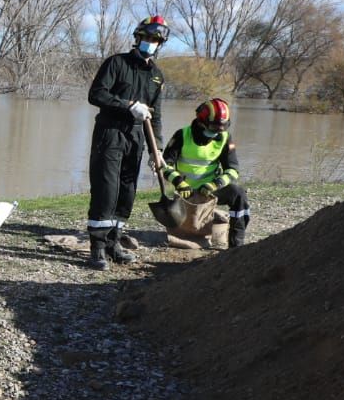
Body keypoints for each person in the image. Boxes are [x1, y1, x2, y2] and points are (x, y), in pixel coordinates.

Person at [84, 15, 168, 270]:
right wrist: (129, 105)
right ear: (138, 37)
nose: (151, 43)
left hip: (137, 137)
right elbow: (96, 94)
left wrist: (158, 151)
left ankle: (114, 243)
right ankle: (97, 246)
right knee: (106, 188)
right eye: (148, 38)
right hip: (110, 132)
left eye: (156, 40)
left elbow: (156, 115)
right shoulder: (116, 63)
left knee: (127, 190)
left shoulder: (156, 76)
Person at [158, 97, 249, 247]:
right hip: (185, 192)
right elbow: (164, 165)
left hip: (210, 190)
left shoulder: (224, 138)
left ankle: (236, 244)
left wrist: (216, 184)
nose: (217, 132)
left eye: (222, 128)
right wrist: (179, 182)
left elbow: (233, 170)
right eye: (213, 128)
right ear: (201, 122)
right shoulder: (182, 135)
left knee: (238, 194)